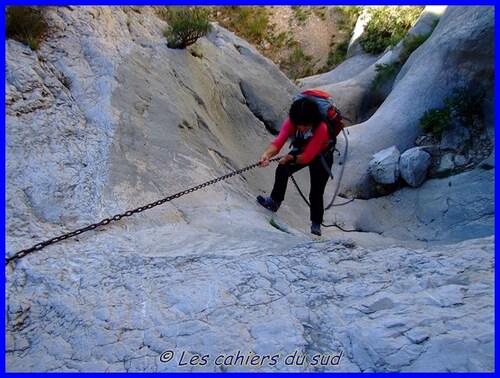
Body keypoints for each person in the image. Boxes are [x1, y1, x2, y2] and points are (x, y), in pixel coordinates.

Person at [257, 97, 334, 236]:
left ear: (314, 121)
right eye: (299, 125)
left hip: (322, 156)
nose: (302, 128)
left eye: (306, 125)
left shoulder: (321, 128)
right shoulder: (292, 122)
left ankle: (316, 223)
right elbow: (278, 142)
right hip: (304, 149)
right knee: (282, 169)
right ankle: (274, 201)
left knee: (316, 192)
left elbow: (308, 157)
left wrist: (290, 157)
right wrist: (266, 155)